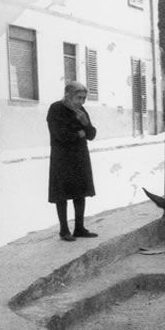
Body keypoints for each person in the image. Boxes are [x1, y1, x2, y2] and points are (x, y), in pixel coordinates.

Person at [47, 81, 98, 241]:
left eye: (84, 98)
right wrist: (78, 134)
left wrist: (85, 123)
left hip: (80, 157)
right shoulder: (56, 109)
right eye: (79, 97)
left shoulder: (81, 110)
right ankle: (64, 230)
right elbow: (58, 134)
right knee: (62, 194)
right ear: (68, 95)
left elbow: (91, 134)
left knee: (80, 192)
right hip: (62, 157)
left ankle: (79, 228)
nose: (81, 102)